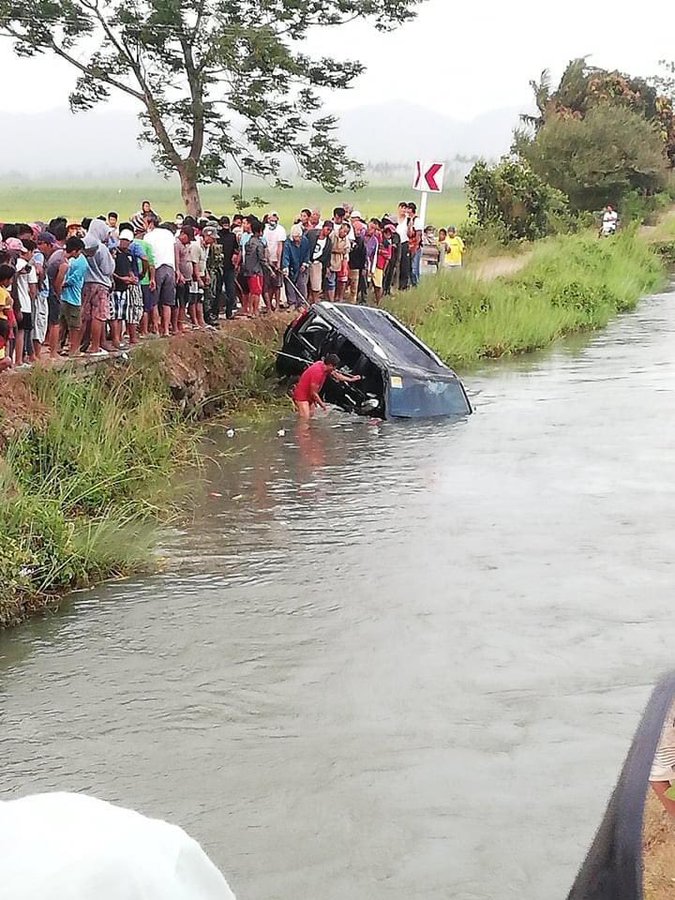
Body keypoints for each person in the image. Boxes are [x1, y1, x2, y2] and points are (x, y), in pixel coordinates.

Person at [292, 353, 363, 419]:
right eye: (334, 367)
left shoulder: (322, 365)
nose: (335, 369)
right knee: (305, 420)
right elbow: (314, 393)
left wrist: (351, 379)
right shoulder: (318, 373)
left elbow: (336, 375)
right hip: (302, 397)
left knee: (311, 417)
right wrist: (323, 405)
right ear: (330, 365)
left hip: (310, 397)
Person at [82, 219, 115, 356]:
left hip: (86, 283)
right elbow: (107, 269)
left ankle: (81, 345)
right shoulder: (101, 247)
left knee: (85, 315)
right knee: (99, 316)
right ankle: (95, 346)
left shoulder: (84, 243)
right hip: (100, 284)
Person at [144, 215, 179, 336]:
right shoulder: (169, 234)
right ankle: (167, 330)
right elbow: (175, 252)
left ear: (150, 224)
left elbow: (147, 255)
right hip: (170, 268)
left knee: (154, 301)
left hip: (157, 268)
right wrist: (177, 269)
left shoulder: (148, 236)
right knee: (167, 302)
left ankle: (156, 328)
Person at [54, 236, 87, 357]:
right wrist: (63, 285)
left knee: (61, 323)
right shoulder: (81, 262)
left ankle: (58, 346)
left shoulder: (61, 257)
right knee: (75, 326)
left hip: (63, 296)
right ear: (75, 250)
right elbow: (73, 279)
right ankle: (73, 350)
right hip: (72, 298)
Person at [14, 239, 38, 367]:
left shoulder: (13, 264)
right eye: (32, 252)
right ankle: (19, 360)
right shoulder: (30, 268)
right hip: (25, 304)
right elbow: (33, 290)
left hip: (12, 303)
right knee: (22, 333)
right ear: (27, 251)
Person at [282, 224, 310, 307]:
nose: (297, 239)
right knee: (290, 284)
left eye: (299, 237)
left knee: (302, 284)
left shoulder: (305, 241)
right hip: (291, 266)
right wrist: (285, 267)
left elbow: (307, 254)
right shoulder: (288, 243)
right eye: (295, 237)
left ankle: (302, 303)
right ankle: (292, 303)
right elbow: (286, 256)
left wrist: (305, 264)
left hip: (301, 265)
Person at [242, 218, 266, 318]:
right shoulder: (259, 244)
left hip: (248, 270)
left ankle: (251, 310)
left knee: (252, 291)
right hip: (256, 271)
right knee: (257, 292)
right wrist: (271, 269)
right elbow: (262, 259)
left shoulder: (248, 242)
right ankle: (255, 311)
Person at [262, 211, 286, 311]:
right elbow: (264, 245)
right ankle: (269, 306)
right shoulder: (265, 229)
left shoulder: (280, 230)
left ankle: (276, 306)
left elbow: (280, 246)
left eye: (274, 220)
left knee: (277, 285)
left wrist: (279, 261)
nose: (272, 222)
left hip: (276, 259)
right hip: (267, 259)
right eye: (271, 220)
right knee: (267, 285)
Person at [307, 220, 332, 303]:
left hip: (317, 263)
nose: (328, 232)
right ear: (323, 227)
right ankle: (306, 300)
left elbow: (328, 255)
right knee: (305, 283)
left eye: (330, 230)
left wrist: (327, 266)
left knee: (316, 284)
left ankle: (315, 301)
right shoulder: (312, 234)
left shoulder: (328, 242)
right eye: (327, 229)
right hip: (307, 260)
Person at [219, 217, 238, 320]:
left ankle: (229, 312)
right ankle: (215, 311)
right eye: (223, 224)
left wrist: (235, 255)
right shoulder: (217, 236)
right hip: (218, 267)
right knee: (217, 290)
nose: (225, 226)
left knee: (231, 290)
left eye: (227, 224)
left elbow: (236, 249)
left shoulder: (232, 236)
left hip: (229, 267)